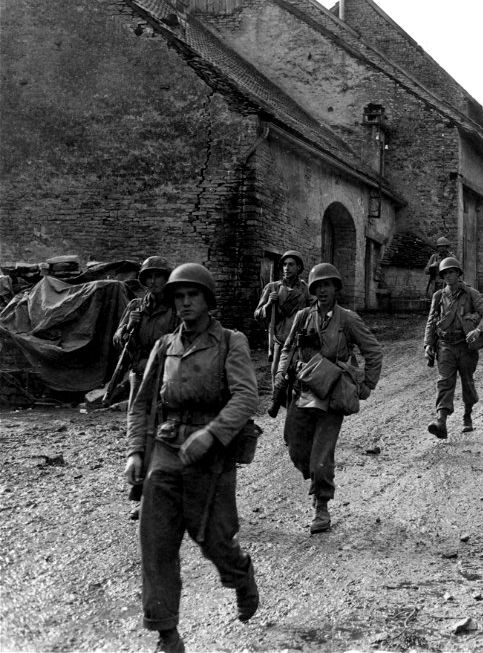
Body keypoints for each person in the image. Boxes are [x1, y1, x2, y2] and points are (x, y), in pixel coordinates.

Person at [125, 263, 260, 653]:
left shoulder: (231, 341)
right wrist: (136, 451)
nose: (184, 303)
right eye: (178, 298)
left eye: (192, 296)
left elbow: (246, 397)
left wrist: (212, 434)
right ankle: (166, 632)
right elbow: (142, 403)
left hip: (212, 454)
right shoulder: (164, 345)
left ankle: (241, 576)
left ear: (207, 301)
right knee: (157, 541)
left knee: (215, 539)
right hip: (167, 449)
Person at [274, 263, 382, 534]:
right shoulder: (302, 317)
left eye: (327, 285)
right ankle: (316, 475)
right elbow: (287, 349)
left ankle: (321, 506)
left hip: (332, 394)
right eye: (317, 286)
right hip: (302, 390)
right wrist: (279, 375)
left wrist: (367, 383)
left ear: (336, 288)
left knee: (321, 457)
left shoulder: (347, 319)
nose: (322, 290)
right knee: (295, 446)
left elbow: (373, 350)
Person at [423, 256, 483, 437]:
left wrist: (478, 330)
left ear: (458, 273)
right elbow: (431, 321)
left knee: (467, 381)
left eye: (451, 272)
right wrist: (428, 344)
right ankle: (441, 422)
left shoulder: (471, 294)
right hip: (445, 345)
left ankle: (467, 415)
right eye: (445, 273)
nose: (448, 276)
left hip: (465, 345)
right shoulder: (439, 296)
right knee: (444, 382)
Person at [113, 256, 179, 407]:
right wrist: (128, 327)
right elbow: (117, 341)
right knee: (137, 421)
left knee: (164, 422)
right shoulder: (135, 306)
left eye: (158, 276)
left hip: (166, 375)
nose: (153, 281)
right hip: (140, 374)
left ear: (167, 279)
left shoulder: (176, 308)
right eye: (149, 277)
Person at [254, 250, 312, 385]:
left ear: (298, 267)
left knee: (298, 380)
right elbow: (257, 314)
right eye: (284, 265)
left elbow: (314, 313)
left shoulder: (306, 290)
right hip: (279, 341)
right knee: (278, 380)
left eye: (291, 264)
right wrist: (268, 304)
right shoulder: (272, 287)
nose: (287, 268)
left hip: (299, 342)